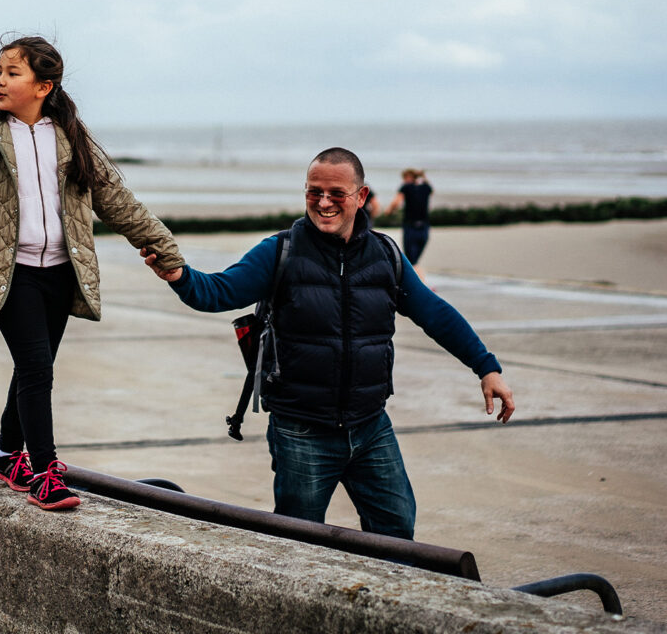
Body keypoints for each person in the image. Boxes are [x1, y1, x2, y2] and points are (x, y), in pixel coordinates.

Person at [141, 148, 512, 539]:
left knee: (397, 531)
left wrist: (486, 367)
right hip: (302, 431)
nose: (323, 202)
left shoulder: (386, 255)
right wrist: (180, 276)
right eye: (313, 191)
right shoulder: (279, 252)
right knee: (299, 544)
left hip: (371, 426)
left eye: (337, 192)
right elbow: (217, 292)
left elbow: (435, 314)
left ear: (362, 197)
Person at [0, 35, 184, 511]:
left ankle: (5, 454)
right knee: (36, 367)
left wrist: (161, 246)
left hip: (60, 271)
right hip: (6, 273)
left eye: (12, 73)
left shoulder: (70, 137)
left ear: (43, 85)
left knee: (34, 368)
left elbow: (116, 198)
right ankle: (44, 471)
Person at [384, 168, 433, 273]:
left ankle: (419, 284)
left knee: (411, 261)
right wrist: (422, 177)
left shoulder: (405, 187)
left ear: (408, 177)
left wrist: (389, 211)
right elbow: (430, 191)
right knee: (415, 259)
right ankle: (419, 282)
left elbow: (396, 202)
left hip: (410, 227)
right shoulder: (426, 187)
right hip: (424, 227)